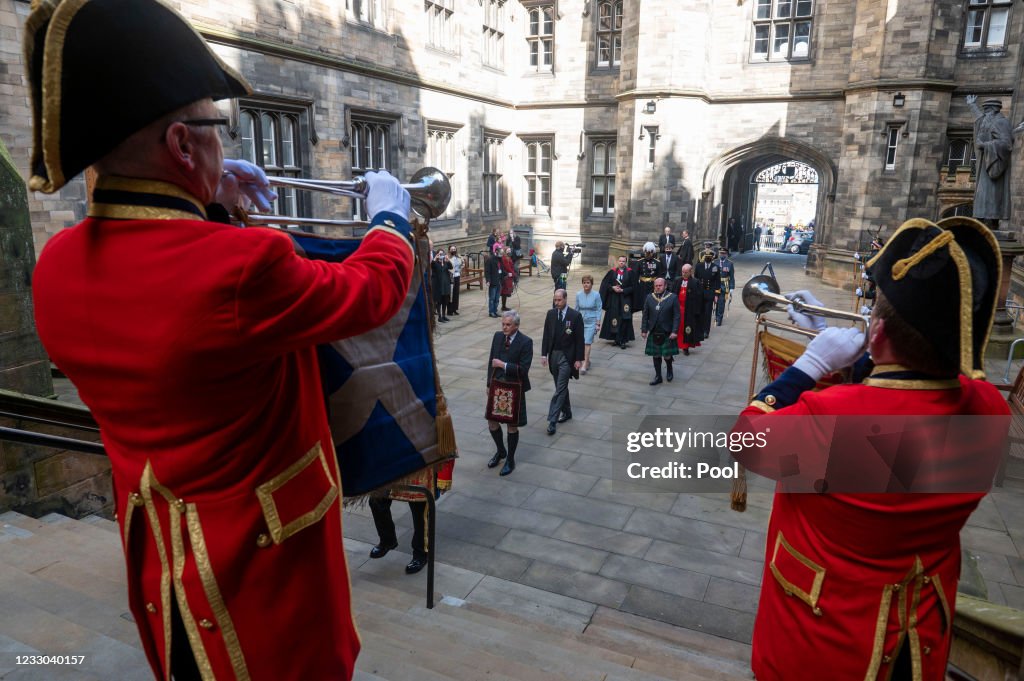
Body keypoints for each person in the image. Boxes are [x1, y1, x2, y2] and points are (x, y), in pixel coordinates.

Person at [25, 2, 416, 679]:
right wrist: (389, 216)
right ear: (181, 144)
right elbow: (371, 292)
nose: (222, 144)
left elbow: (173, 296)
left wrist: (210, 197)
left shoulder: (55, 265)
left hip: (164, 568)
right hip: (264, 576)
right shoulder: (240, 269)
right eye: (215, 130)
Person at [730, 217, 1009, 681]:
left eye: (873, 313)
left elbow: (744, 439)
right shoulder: (987, 410)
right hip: (916, 640)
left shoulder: (834, 423)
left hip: (823, 643)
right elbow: (905, 397)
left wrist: (811, 363)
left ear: (877, 334)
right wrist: (861, 352)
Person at [486, 311, 533, 476]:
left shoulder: (526, 342)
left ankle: (510, 459)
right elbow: (491, 361)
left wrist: (503, 365)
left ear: (516, 326)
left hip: (514, 388)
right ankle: (501, 451)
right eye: (503, 324)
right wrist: (488, 384)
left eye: (508, 325)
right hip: (497, 386)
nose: (504, 328)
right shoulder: (497, 337)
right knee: (492, 422)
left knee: (512, 426)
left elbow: (523, 370)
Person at [542, 289, 585, 435]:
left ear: (565, 299)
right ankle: (567, 412)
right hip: (554, 354)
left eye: (559, 300)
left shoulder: (575, 316)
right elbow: (546, 335)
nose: (556, 303)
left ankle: (552, 421)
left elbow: (580, 339)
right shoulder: (551, 314)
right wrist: (544, 354)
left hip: (567, 357)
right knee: (560, 386)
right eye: (555, 300)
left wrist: (579, 359)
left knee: (560, 388)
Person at [966, 95, 1013, 226]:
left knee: (992, 196)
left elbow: (1007, 144)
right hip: (984, 165)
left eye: (986, 110)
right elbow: (980, 119)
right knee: (983, 195)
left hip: (994, 164)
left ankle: (993, 222)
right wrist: (972, 105)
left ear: (993, 110)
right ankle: (981, 222)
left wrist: (985, 145)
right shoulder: (988, 120)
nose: (984, 113)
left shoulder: (1001, 122)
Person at [640, 278, 680, 385]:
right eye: (656, 285)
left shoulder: (673, 297)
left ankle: (669, 370)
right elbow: (645, 315)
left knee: (667, 355)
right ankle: (658, 376)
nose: (658, 287)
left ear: (665, 286)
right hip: (654, 331)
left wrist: (674, 331)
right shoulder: (649, 297)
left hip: (667, 331)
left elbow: (677, 316)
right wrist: (644, 330)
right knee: (656, 355)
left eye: (660, 285)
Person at [599, 255, 637, 348]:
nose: (621, 263)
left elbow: (634, 287)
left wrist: (623, 290)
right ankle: (616, 338)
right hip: (614, 299)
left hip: (625, 299)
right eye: (620, 261)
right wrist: (612, 288)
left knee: (625, 319)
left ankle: (623, 340)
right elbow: (605, 284)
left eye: (623, 261)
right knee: (614, 317)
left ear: (626, 262)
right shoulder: (612, 272)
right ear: (618, 262)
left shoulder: (630, 272)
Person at [692, 247, 722, 340]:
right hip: (700, 293)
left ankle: (706, 331)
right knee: (700, 312)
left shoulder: (715, 267)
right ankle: (700, 329)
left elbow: (717, 282)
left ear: (712, 257)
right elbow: (695, 279)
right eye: (706, 256)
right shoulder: (698, 266)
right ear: (703, 257)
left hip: (710, 293)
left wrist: (716, 295)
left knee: (707, 313)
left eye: (709, 256)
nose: (708, 258)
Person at [575, 275, 603, 374]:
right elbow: (576, 309)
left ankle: (585, 363)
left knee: (587, 342)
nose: (586, 284)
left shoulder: (596, 295)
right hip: (581, 321)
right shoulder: (578, 294)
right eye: (584, 282)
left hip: (591, 321)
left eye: (588, 283)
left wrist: (598, 323)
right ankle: (585, 360)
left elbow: (599, 309)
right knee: (581, 342)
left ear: (591, 284)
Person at [676, 264, 703, 355]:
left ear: (690, 272)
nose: (683, 274)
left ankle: (685, 347)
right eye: (682, 272)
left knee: (687, 329)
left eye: (686, 272)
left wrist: (696, 311)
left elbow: (699, 298)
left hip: (689, 311)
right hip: (678, 309)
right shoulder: (677, 281)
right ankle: (676, 345)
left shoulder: (696, 282)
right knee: (677, 328)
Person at [713, 247, 735, 327]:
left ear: (726, 254)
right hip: (716, 285)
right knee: (716, 302)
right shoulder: (715, 262)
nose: (722, 255)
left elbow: (731, 276)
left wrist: (732, 287)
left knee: (721, 303)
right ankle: (716, 316)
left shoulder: (730, 263)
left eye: (723, 253)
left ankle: (719, 319)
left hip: (724, 286)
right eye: (720, 253)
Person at [430, 248, 452, 323]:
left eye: (442, 254)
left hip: (445, 285)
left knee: (445, 300)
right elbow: (432, 265)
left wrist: (447, 259)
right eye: (439, 254)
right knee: (439, 301)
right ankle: (439, 316)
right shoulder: (435, 263)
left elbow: (451, 267)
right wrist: (435, 258)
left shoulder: (446, 262)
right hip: (439, 285)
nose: (441, 255)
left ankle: (443, 315)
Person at [485, 246, 501, 317]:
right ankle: (491, 312)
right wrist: (488, 280)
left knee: (497, 298)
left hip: (499, 281)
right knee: (492, 298)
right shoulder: (490, 259)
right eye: (501, 252)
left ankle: (495, 310)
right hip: (493, 281)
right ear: (496, 251)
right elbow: (487, 271)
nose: (502, 254)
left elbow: (502, 269)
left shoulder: (500, 259)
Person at [500, 246, 517, 311]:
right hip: (506, 276)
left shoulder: (508, 257)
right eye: (508, 250)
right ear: (505, 251)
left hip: (510, 276)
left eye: (510, 250)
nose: (509, 251)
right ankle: (503, 306)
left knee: (506, 291)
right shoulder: (504, 258)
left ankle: (504, 306)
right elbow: (507, 268)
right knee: (504, 292)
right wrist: (513, 274)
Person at [446, 245, 462, 316]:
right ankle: (450, 310)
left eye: (454, 249)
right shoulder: (448, 258)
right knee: (451, 293)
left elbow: (462, 263)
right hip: (451, 277)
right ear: (449, 250)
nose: (453, 250)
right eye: (452, 249)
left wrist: (459, 269)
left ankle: (455, 309)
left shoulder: (458, 257)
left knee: (456, 293)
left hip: (457, 276)